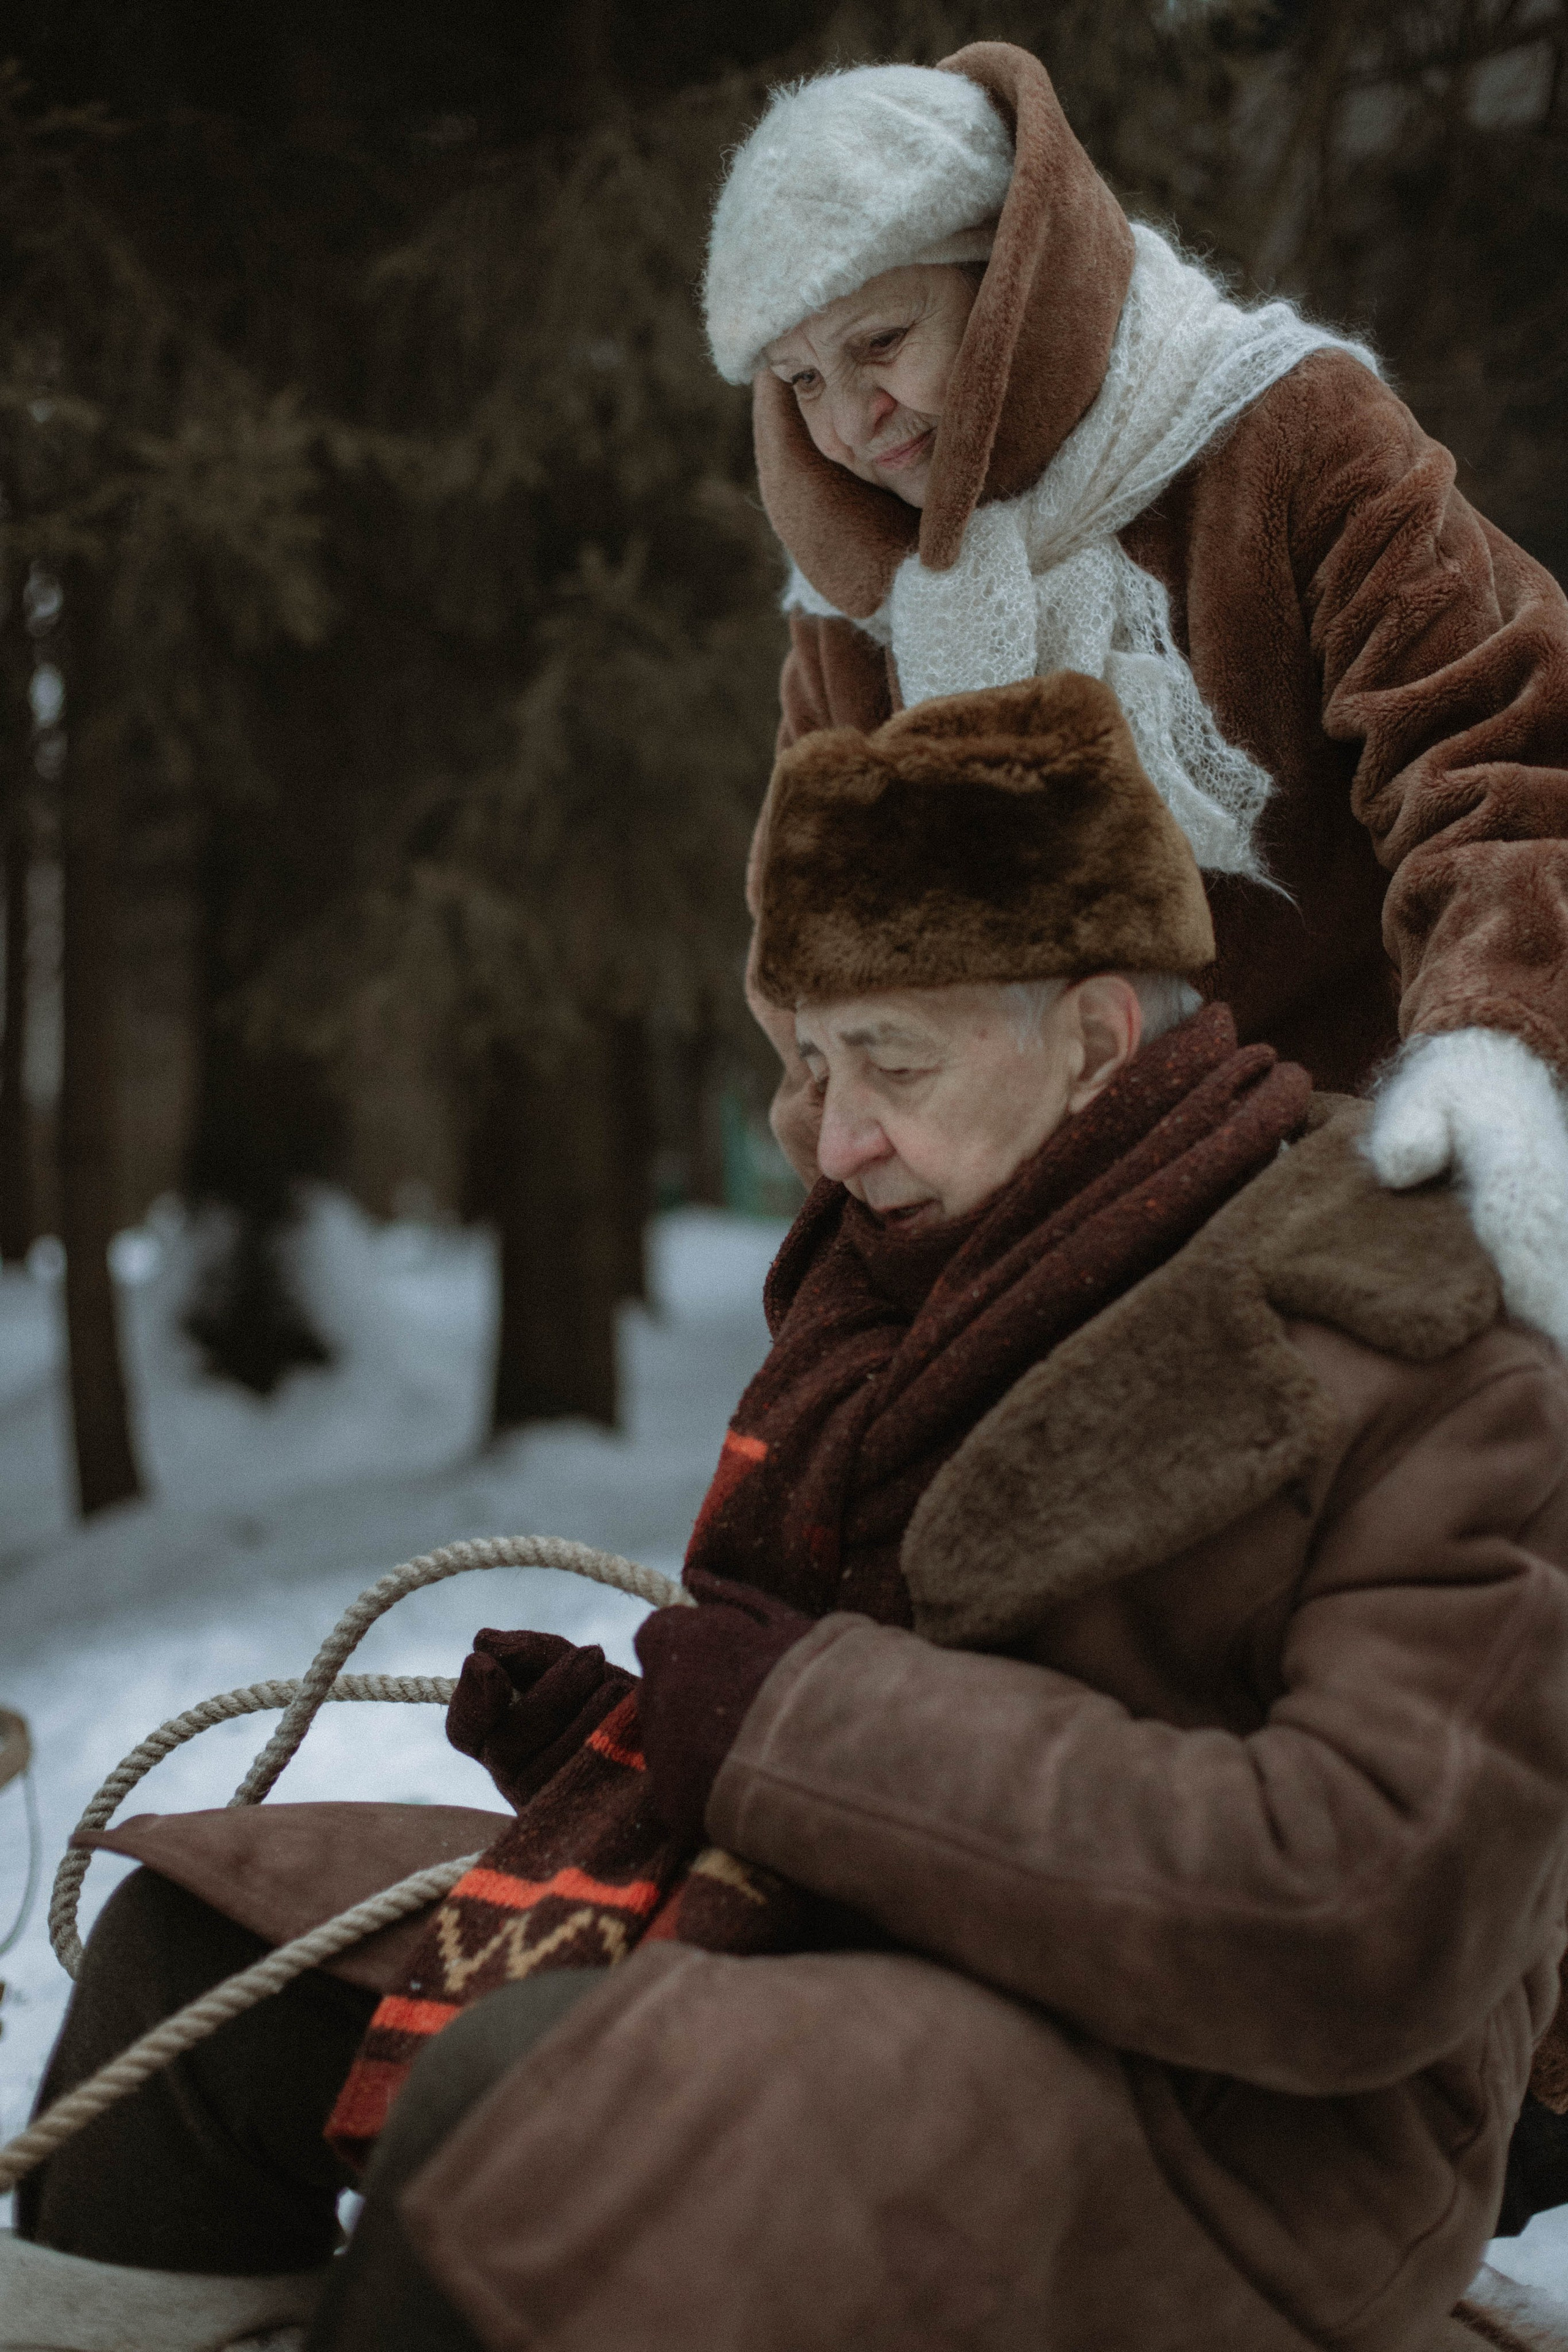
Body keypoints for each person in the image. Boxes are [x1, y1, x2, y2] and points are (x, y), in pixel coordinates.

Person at [8, 674, 1568, 2352]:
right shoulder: (917, 1282)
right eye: (817, 1062)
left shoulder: (1409, 1331)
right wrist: (627, 1748)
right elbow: (859, 1724)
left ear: (1098, 1043)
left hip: (1235, 2129)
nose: (837, 1141)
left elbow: (1363, 1914)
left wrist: (790, 1729)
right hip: (832, 1931)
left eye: (890, 1061)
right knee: (187, 1958)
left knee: (537, 2112)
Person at [701, 45, 1568, 1362]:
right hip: (1056, 1263)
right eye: (801, 379)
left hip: (1379, 1171)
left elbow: (1505, 759)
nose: (851, 422)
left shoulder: (1290, 435)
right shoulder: (851, 616)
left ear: (1010, 279)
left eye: (880, 342)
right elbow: (817, 967)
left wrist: (1490, 1057)